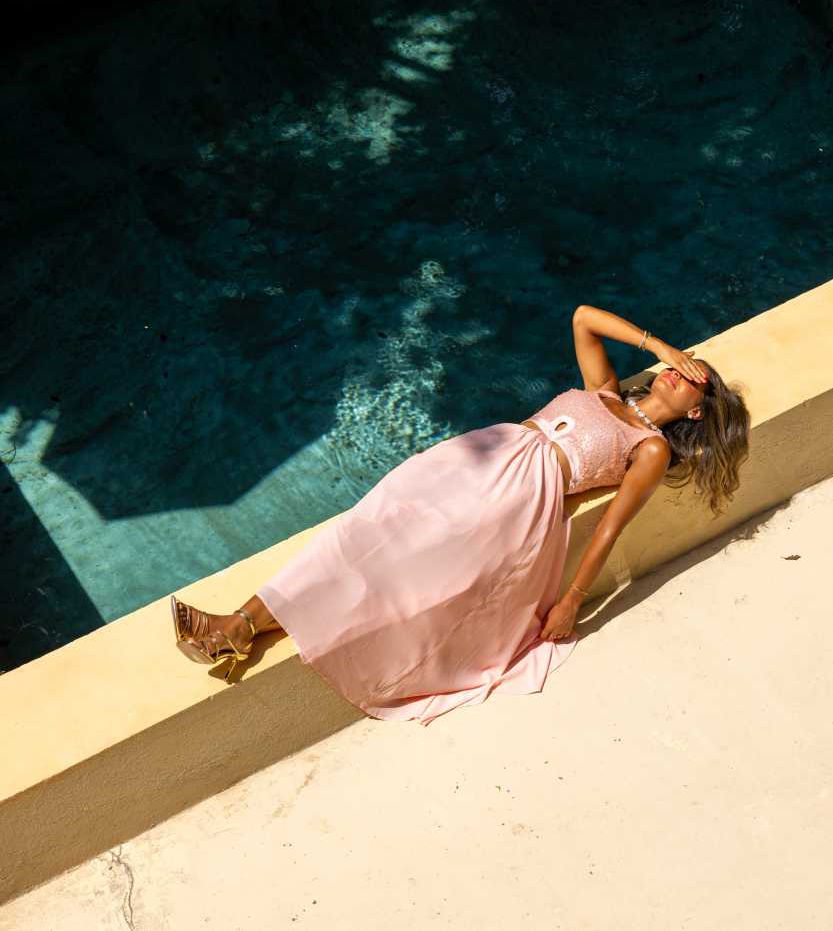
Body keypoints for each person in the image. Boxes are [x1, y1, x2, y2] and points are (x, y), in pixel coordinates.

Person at [171, 304, 751, 725]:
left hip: (516, 500)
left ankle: (236, 628)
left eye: (694, 377)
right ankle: (238, 626)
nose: (683, 371)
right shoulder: (604, 390)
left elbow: (610, 525)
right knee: (360, 533)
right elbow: (581, 316)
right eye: (685, 363)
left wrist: (572, 598)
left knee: (391, 572)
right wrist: (657, 346)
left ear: (697, 413)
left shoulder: (649, 448)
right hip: (479, 455)